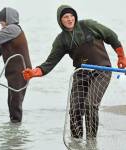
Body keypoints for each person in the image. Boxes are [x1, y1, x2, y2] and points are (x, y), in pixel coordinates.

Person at [22, 4, 126, 138]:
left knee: (90, 105)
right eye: (65, 17)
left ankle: (91, 140)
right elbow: (50, 63)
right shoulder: (61, 40)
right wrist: (34, 72)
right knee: (75, 109)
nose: (70, 19)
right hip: (81, 73)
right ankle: (76, 142)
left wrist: (121, 56)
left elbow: (111, 36)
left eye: (72, 16)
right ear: (60, 20)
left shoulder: (89, 25)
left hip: (102, 71)